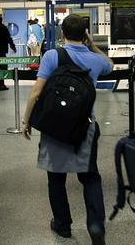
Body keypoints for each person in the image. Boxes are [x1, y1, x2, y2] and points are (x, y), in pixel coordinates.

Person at [22, 14, 113, 244]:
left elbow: (36, 92)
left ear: (62, 33)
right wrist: (92, 46)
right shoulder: (95, 59)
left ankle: (62, 225)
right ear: (85, 34)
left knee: (56, 177)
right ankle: (95, 226)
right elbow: (110, 66)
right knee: (90, 177)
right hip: (86, 126)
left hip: (55, 126)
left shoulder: (53, 55)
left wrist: (26, 120)